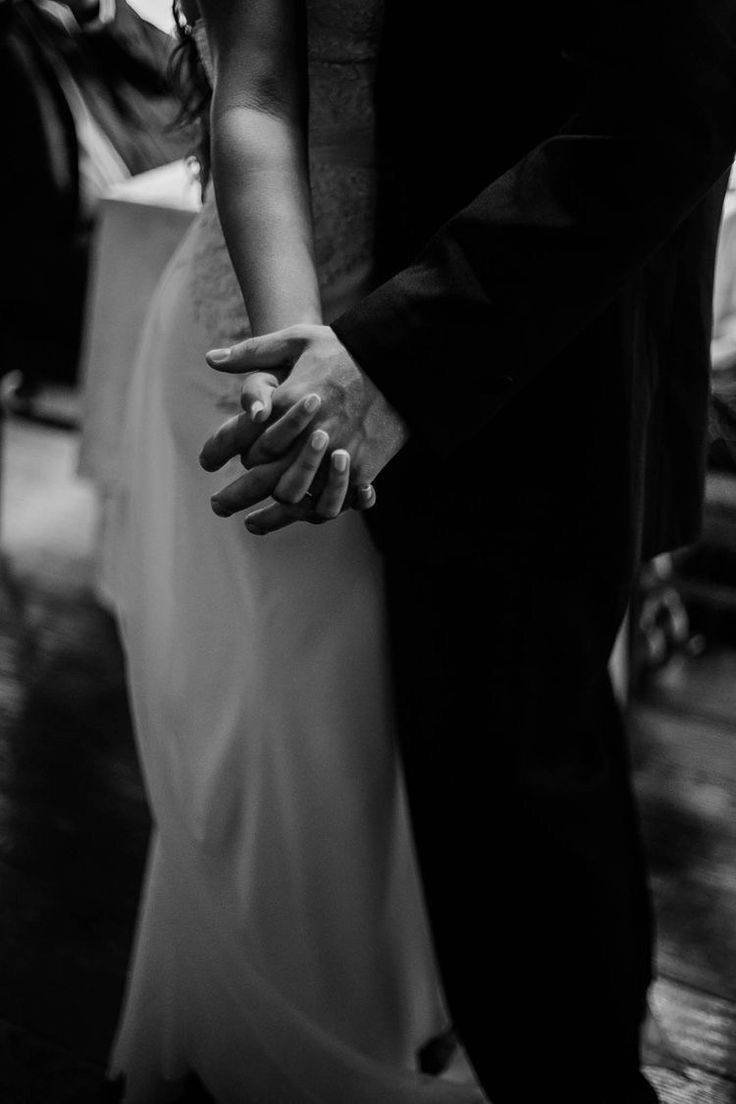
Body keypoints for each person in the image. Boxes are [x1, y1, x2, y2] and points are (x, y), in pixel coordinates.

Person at [199, 2, 736, 1102]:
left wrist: (390, 359)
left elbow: (676, 96)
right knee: (507, 797)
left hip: (530, 373)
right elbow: (254, 87)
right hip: (379, 348)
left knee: (517, 826)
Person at [107, 0, 483, 1101]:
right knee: (289, 723)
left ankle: (396, 1009)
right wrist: (303, 377)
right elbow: (257, 93)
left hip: (424, 342)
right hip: (281, 342)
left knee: (381, 727)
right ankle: (298, 1047)